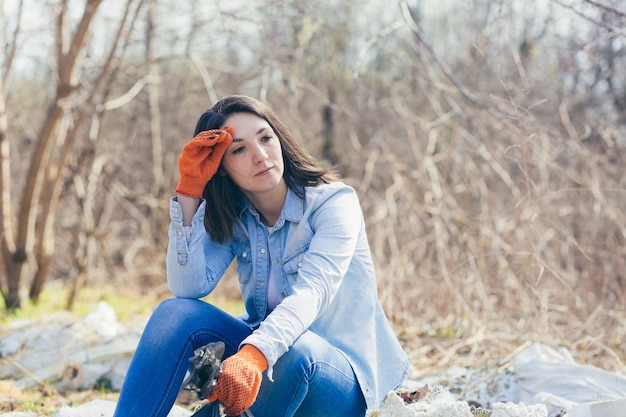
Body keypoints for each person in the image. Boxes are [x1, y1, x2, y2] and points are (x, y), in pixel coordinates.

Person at [112, 95, 409, 417]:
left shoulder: (334, 203)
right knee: (175, 314)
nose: (260, 155)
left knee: (296, 348)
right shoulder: (238, 216)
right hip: (273, 366)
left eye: (265, 138)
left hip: (342, 382)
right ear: (221, 168)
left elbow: (311, 293)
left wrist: (253, 355)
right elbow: (188, 287)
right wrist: (189, 191)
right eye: (238, 149)